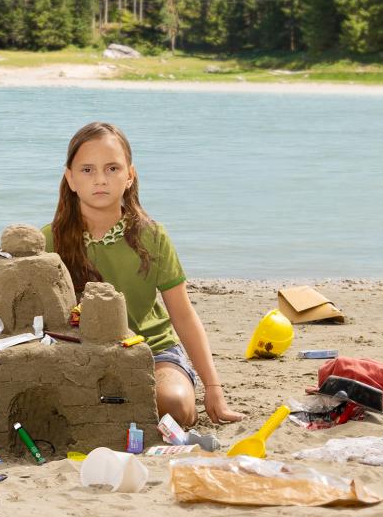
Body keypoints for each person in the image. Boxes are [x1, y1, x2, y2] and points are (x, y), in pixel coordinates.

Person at [43, 121, 243, 427]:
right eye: (87, 170)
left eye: (112, 168)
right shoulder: (50, 240)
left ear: (129, 176)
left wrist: (213, 389)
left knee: (175, 405)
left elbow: (183, 315)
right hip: (82, 355)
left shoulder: (152, 236)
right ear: (70, 178)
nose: (100, 179)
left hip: (153, 351)